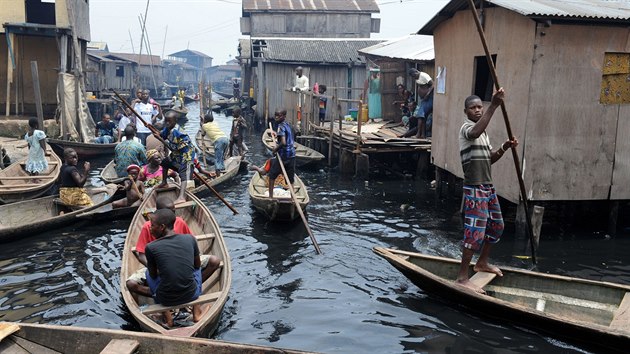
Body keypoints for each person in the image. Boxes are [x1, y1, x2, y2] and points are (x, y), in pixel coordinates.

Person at [456, 88, 518, 294]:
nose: (477, 111)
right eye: (473, 108)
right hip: (474, 186)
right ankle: (462, 278)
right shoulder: (467, 128)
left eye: (479, 107)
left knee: (496, 226)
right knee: (475, 233)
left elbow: (489, 158)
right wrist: (494, 106)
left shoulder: (483, 133)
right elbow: (474, 133)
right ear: (466, 112)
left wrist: (504, 147)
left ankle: (481, 263)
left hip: (487, 186)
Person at [157, 111, 196, 204]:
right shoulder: (168, 128)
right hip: (177, 153)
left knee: (183, 175)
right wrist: (152, 129)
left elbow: (172, 147)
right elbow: (161, 134)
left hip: (186, 154)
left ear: (175, 121)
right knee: (164, 162)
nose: (167, 123)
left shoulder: (177, 131)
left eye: (169, 121)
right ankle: (164, 182)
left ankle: (182, 197)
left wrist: (159, 139)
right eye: (166, 121)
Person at [267, 109, 295, 198]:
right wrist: (277, 135)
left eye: (278, 116)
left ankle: (270, 197)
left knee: (272, 176)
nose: (276, 117)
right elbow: (287, 137)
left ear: (284, 116)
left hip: (283, 156)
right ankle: (292, 198)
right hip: (292, 155)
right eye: (275, 115)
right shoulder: (287, 125)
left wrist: (275, 149)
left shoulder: (281, 127)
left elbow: (283, 143)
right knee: (291, 179)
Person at [415, 72, 434, 138]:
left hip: (428, 99)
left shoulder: (424, 76)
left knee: (420, 115)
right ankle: (422, 134)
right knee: (423, 117)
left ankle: (418, 133)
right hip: (424, 99)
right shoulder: (419, 78)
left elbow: (433, 84)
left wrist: (427, 94)